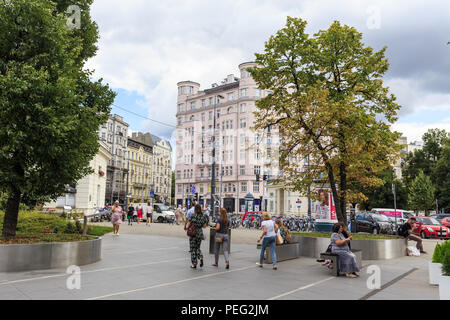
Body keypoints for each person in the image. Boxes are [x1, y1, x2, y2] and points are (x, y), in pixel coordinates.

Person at [186, 204, 208, 269]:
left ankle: (194, 264)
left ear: (195, 209)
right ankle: (200, 257)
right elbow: (204, 226)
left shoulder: (193, 215)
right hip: (199, 233)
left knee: (193, 249)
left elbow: (188, 224)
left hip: (193, 233)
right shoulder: (203, 216)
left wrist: (187, 227)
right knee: (198, 247)